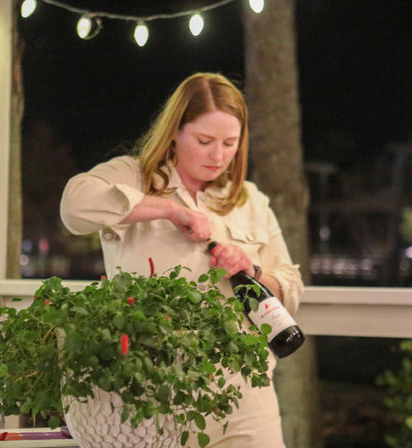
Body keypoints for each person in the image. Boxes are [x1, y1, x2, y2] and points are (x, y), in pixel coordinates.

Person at [60, 72, 303, 448]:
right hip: (153, 397)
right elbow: (73, 208)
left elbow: (291, 284)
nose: (218, 155)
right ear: (175, 130)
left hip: (246, 397)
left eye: (230, 143)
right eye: (204, 141)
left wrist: (251, 271)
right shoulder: (134, 175)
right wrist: (168, 211)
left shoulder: (249, 199)